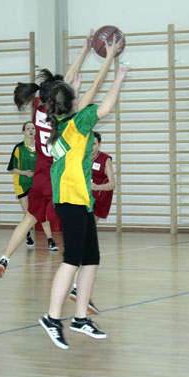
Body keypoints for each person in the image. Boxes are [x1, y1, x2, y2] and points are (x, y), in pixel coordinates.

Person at [39, 36, 129, 350]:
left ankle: (79, 318)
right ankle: (52, 317)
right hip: (71, 199)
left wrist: (76, 83)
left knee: (91, 260)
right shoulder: (76, 124)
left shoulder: (61, 122)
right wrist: (116, 72)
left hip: (79, 200)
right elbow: (104, 102)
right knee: (72, 260)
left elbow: (82, 91)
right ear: (73, 102)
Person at [0, 32, 94, 279]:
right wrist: (85, 50)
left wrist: (83, 50)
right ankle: (75, 281)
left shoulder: (37, 108)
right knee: (74, 225)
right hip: (60, 175)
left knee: (29, 219)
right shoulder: (62, 113)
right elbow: (69, 78)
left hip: (40, 173)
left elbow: (65, 81)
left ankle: (4, 258)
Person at [68, 131, 115, 314]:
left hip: (99, 199)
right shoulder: (80, 157)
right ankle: (79, 289)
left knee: (87, 247)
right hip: (83, 201)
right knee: (86, 246)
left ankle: (80, 289)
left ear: (99, 144)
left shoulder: (105, 160)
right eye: (89, 144)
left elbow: (112, 184)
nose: (91, 147)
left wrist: (97, 186)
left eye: (94, 143)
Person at [6, 121, 54, 247]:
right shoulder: (19, 148)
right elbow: (11, 168)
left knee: (42, 212)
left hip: (38, 184)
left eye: (33, 128)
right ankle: (28, 233)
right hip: (22, 184)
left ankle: (50, 240)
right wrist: (25, 173)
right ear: (23, 132)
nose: (31, 131)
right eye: (28, 128)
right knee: (30, 213)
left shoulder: (42, 148)